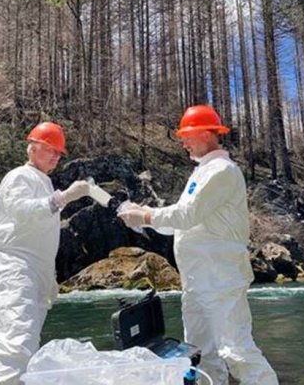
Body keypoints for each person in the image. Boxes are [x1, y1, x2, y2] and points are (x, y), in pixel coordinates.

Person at [117, 105, 278, 385]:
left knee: (236, 350)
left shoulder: (222, 171)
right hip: (198, 280)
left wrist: (144, 215)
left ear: (206, 134)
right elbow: (179, 220)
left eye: (187, 135)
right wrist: (145, 216)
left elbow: (187, 214)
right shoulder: (202, 172)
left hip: (220, 278)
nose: (182, 141)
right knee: (200, 353)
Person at [0, 122, 91, 385]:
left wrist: (47, 275)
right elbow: (23, 212)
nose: (55, 156)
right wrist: (62, 198)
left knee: (26, 347)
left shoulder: (44, 181)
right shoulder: (19, 176)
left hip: (33, 271)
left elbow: (39, 234)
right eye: (49, 149)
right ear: (32, 148)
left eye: (58, 153)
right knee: (16, 346)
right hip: (16, 268)